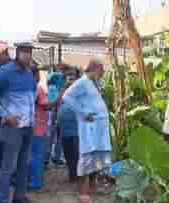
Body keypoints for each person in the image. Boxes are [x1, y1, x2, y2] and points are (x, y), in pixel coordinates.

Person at [0, 42, 36, 203]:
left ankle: (19, 197)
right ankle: (3, 199)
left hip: (28, 126)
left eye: (30, 52)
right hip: (13, 128)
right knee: (8, 167)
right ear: (16, 53)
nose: (27, 55)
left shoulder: (28, 72)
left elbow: (30, 97)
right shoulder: (6, 71)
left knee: (23, 165)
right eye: (24, 51)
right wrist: (4, 115)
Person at [62, 59, 111, 203]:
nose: (102, 74)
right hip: (89, 128)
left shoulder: (93, 82)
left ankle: (93, 186)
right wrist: (83, 113)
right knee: (87, 156)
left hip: (99, 128)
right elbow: (67, 97)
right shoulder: (82, 82)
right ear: (95, 68)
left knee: (96, 156)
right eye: (101, 71)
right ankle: (82, 192)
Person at [57, 66, 81, 183]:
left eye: (73, 75)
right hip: (64, 126)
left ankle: (78, 175)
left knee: (77, 152)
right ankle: (72, 174)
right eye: (68, 75)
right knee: (67, 152)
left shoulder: (81, 89)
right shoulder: (62, 89)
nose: (70, 77)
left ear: (78, 77)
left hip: (78, 127)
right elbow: (57, 103)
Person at [27, 66, 48, 191]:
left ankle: (31, 179)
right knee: (36, 155)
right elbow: (46, 105)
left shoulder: (23, 89)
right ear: (35, 76)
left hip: (27, 126)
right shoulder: (37, 89)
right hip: (38, 127)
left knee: (29, 155)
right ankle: (36, 181)